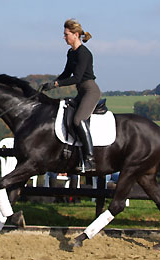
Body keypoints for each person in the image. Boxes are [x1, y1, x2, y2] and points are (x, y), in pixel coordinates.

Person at [41, 18, 101, 172]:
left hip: (90, 91)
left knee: (78, 119)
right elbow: (67, 73)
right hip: (81, 91)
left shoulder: (84, 53)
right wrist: (51, 84)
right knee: (65, 114)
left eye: (66, 34)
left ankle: (90, 159)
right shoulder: (71, 52)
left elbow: (77, 78)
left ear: (75, 35)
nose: (64, 37)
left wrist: (56, 85)